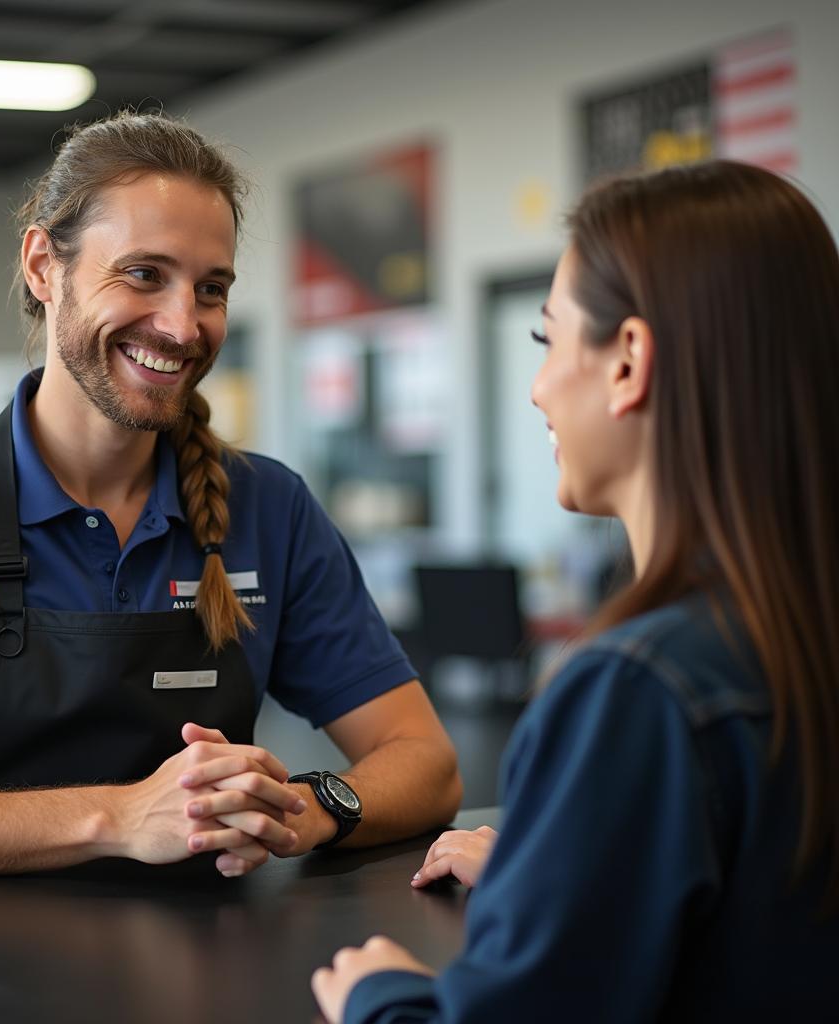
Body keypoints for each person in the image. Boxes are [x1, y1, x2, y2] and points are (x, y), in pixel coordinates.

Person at [0, 111, 461, 879]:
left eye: (211, 288)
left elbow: (428, 763)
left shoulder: (268, 508)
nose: (184, 326)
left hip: (204, 966)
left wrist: (304, 808)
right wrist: (118, 817)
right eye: (145, 274)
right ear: (43, 268)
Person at [312, 160, 839, 1022]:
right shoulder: (791, 644)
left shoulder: (639, 692)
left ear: (628, 361)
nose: (538, 386)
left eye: (548, 340)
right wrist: (561, 870)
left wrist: (378, 998)